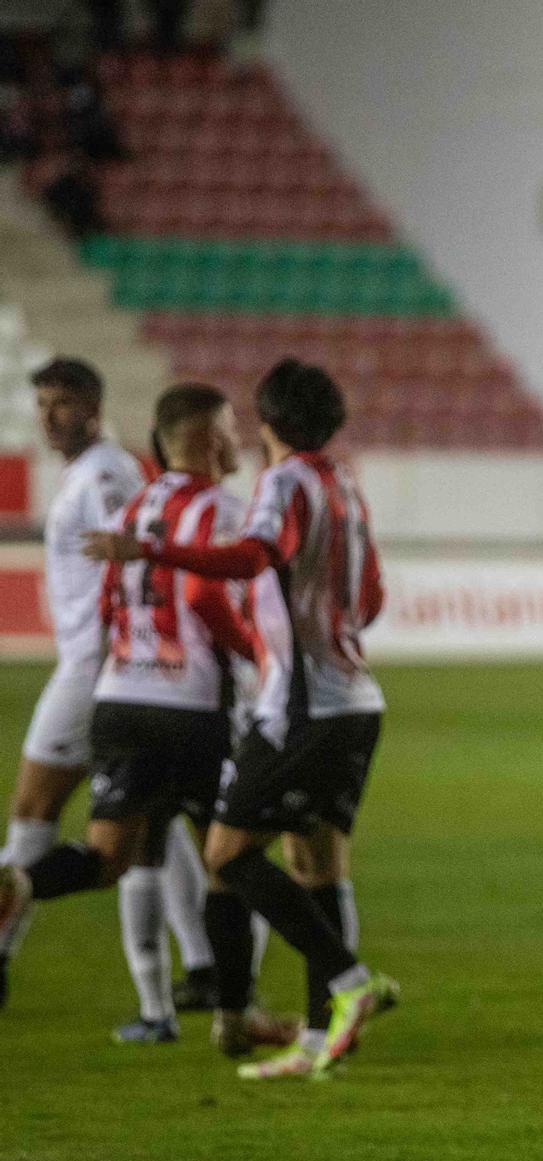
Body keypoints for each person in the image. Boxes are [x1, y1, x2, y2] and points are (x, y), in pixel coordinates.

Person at [74, 358, 397, 1080]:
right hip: (356, 699)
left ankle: (349, 981)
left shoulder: (283, 482)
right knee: (316, 862)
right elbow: (369, 595)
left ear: (267, 421)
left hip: (300, 709)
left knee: (227, 856)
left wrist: (152, 547)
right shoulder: (343, 482)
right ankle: (320, 1040)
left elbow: (257, 554)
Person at [9, 383, 296, 1052]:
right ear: (205, 440)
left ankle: (21, 881)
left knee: (109, 855)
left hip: (119, 699)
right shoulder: (222, 509)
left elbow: (109, 597)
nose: (237, 439)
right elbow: (203, 594)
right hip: (191, 709)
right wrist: (250, 653)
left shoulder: (137, 506)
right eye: (227, 427)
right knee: (229, 857)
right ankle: (235, 1014)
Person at [0, 358, 215, 1019]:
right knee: (152, 822)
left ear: (92, 406)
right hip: (103, 666)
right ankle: (204, 963)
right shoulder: (85, 474)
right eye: (42, 403)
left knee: (34, 809)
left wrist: (123, 645)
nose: (49, 415)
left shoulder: (106, 474)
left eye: (62, 402)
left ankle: (3, 942)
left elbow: (135, 553)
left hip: (95, 669)